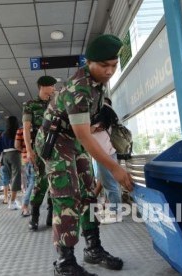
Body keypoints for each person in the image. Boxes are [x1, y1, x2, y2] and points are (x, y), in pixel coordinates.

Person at [35, 34, 134, 275]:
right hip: (56, 142)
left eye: (113, 65)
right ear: (89, 62)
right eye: (104, 65)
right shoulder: (79, 88)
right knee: (67, 197)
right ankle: (65, 262)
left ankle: (93, 249)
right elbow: (84, 136)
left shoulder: (97, 83)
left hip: (72, 139)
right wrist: (115, 167)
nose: (110, 71)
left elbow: (84, 129)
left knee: (88, 192)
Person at [23, 76, 56, 230]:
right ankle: (35, 217)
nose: (54, 89)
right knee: (40, 181)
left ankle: (51, 215)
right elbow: (26, 128)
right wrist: (29, 150)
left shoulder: (56, 103)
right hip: (39, 147)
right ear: (42, 87)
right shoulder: (30, 105)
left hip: (56, 147)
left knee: (55, 180)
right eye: (52, 86)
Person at [91, 97, 122, 224]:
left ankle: (116, 214)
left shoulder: (102, 113)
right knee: (107, 182)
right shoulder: (104, 114)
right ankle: (112, 210)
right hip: (103, 153)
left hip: (105, 153)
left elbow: (87, 131)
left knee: (110, 184)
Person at [0, 116, 22, 210]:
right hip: (15, 155)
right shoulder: (18, 132)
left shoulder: (3, 134)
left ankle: (14, 200)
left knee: (10, 178)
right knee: (16, 177)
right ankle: (12, 202)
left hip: (5, 156)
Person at [14, 127, 33, 217]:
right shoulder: (42, 126)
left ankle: (26, 206)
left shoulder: (20, 130)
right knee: (32, 182)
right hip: (37, 158)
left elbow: (17, 145)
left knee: (30, 182)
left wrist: (24, 151)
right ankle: (25, 205)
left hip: (25, 159)